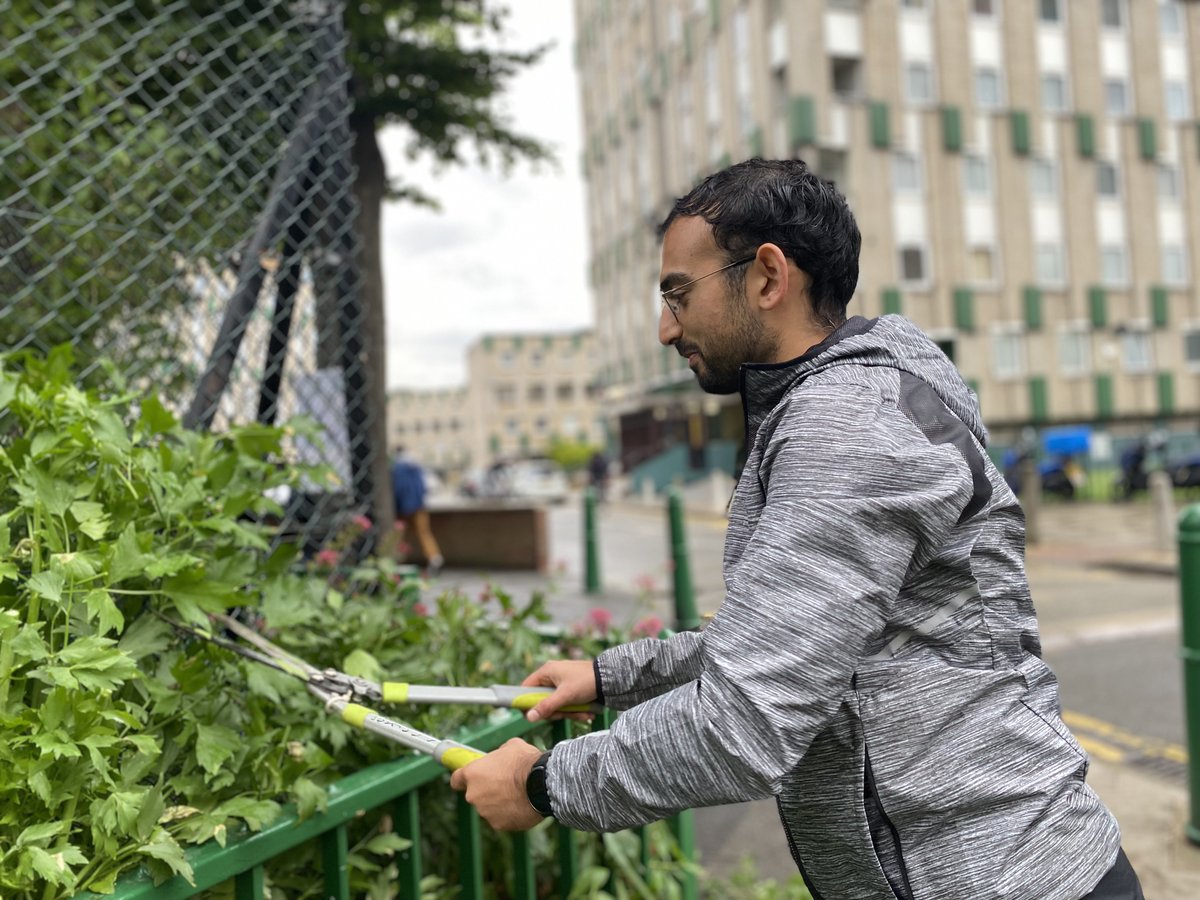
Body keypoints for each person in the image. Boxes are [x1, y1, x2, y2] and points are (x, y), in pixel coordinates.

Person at [450, 159, 1142, 899]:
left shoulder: (846, 424)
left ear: (768, 278)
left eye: (679, 293)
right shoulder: (865, 390)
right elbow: (801, 645)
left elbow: (745, 720)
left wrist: (544, 783)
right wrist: (616, 678)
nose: (664, 327)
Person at [390, 447, 443, 576]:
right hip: (419, 506)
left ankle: (395, 561)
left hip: (402, 507)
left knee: (397, 534)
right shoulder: (416, 467)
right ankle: (435, 558)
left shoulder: (397, 468)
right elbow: (424, 486)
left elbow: (398, 489)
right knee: (424, 533)